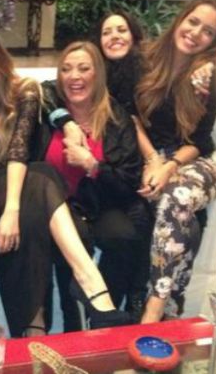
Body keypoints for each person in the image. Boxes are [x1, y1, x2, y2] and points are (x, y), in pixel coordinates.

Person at [0, 31, 131, 334]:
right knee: (41, 177)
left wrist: (12, 209)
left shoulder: (25, 91)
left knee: (37, 199)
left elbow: (18, 150)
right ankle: (93, 288)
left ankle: (34, 329)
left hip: (19, 184)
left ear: (1, 63)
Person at [132, 0, 216, 323]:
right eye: (194, 22)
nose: (196, 33)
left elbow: (199, 139)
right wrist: (153, 160)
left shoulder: (208, 77)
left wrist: (170, 166)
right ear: (181, 18)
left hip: (196, 162)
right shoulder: (146, 60)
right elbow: (130, 117)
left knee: (176, 198)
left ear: (215, 41)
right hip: (154, 156)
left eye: (208, 31)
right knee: (180, 218)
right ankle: (172, 310)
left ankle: (153, 310)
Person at [38, 41, 152, 327]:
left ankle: (104, 312)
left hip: (101, 200)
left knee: (123, 236)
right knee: (74, 239)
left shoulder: (116, 117)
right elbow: (39, 90)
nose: (74, 76)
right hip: (57, 206)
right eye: (66, 69)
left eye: (83, 68)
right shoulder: (48, 109)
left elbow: (129, 180)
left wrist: (92, 165)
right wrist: (66, 122)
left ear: (98, 74)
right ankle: (73, 323)